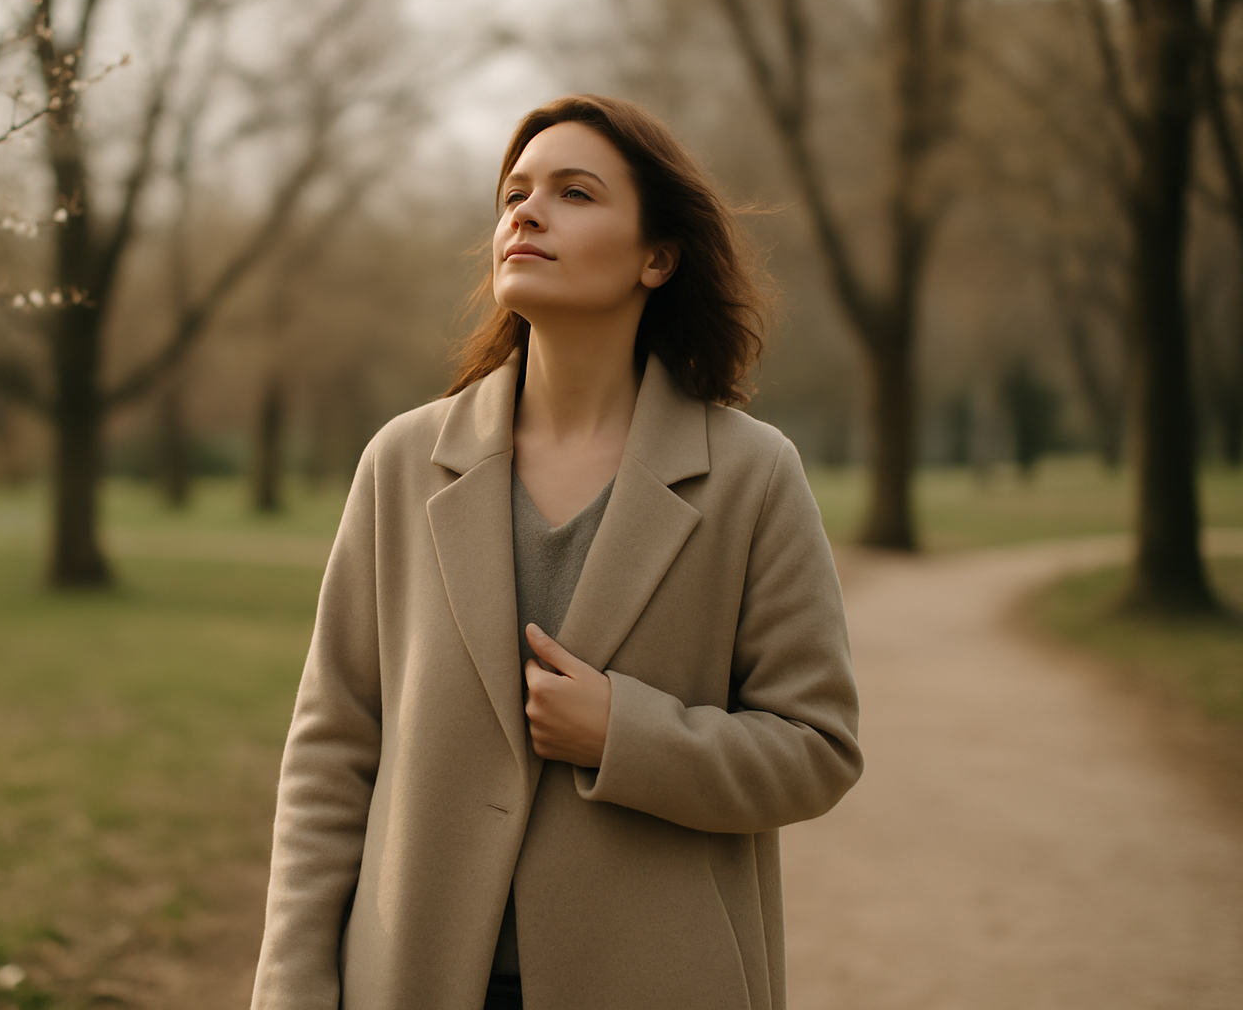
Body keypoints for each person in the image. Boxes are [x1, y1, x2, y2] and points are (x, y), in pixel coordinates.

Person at [250, 94, 862, 1010]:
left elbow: (817, 746)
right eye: (513, 194)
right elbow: (332, 751)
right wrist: (292, 989)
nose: (525, 213)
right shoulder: (402, 464)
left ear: (658, 257)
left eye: (574, 193)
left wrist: (626, 733)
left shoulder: (752, 475)